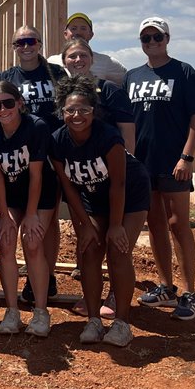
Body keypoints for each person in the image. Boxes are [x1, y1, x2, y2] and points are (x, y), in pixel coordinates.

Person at [49, 75, 151, 347]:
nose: (77, 115)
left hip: (129, 194)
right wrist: (85, 226)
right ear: (62, 112)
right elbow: (69, 188)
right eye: (70, 110)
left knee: (118, 249)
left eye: (83, 109)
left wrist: (115, 226)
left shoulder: (108, 137)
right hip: (93, 196)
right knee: (90, 249)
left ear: (93, 111)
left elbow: (118, 184)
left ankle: (122, 323)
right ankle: (94, 320)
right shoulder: (58, 141)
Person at [125, 16, 195, 322]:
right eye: (145, 39)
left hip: (174, 163)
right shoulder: (132, 76)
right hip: (142, 164)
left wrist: (186, 157)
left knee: (178, 223)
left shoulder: (183, 72)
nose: (151, 43)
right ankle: (166, 286)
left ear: (167, 39)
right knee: (156, 224)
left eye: (156, 38)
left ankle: (190, 293)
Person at [0, 81, 57, 336]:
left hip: (39, 193)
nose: (3, 109)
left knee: (32, 243)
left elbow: (37, 175)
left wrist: (31, 214)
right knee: (6, 241)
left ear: (20, 102)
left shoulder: (36, 127)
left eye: (8, 103)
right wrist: (3, 211)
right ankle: (12, 311)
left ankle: (41, 312)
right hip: (8, 193)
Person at [61, 37, 135, 319]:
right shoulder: (65, 92)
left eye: (83, 56)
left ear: (92, 59)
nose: (77, 61)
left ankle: (117, 296)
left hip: (116, 174)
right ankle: (90, 295)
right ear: (64, 61)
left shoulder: (110, 91)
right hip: (85, 176)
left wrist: (126, 165)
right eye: (72, 57)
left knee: (118, 243)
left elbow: (127, 133)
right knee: (88, 241)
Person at [1, 25, 68, 300]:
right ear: (14, 47)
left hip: (51, 153)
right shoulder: (8, 76)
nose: (26, 46)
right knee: (23, 217)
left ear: (39, 43)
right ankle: (35, 274)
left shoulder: (57, 73)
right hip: (19, 156)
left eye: (31, 41)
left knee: (48, 220)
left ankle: (46, 275)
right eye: (20, 42)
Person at [64, 13, 127, 87]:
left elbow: (129, 80)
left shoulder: (106, 61)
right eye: (73, 28)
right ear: (65, 34)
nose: (78, 32)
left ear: (91, 34)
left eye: (83, 28)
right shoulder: (53, 61)